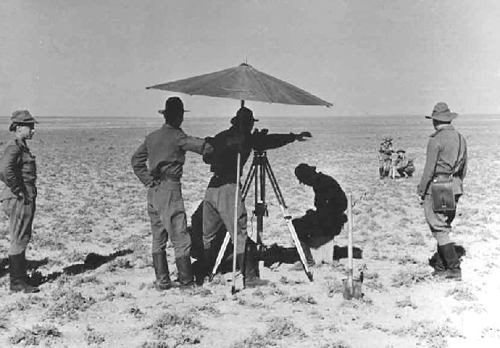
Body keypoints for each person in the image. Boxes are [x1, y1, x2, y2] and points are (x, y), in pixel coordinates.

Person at [201, 106, 311, 288]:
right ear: (248, 124)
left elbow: (207, 157)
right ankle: (249, 277)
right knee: (239, 234)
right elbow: (269, 141)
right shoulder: (243, 138)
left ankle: (212, 271)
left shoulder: (222, 136)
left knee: (209, 235)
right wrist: (294, 137)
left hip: (212, 187)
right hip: (229, 187)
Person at [131, 97, 213, 290]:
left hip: (153, 192)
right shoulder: (178, 136)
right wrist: (215, 144)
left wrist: (149, 180)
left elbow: (136, 161)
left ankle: (162, 280)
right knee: (180, 235)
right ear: (178, 116)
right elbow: (203, 147)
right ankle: (186, 282)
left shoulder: (152, 137)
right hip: (170, 190)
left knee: (158, 237)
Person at [417, 102, 467, 280]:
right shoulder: (461, 138)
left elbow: (429, 169)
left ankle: (453, 268)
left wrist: (421, 190)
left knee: (439, 227)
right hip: (454, 186)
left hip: (439, 187)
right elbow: (464, 169)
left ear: (435, 121)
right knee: (444, 225)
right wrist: (456, 185)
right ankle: (441, 266)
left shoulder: (435, 140)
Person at [0, 110, 40, 293]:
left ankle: (21, 278)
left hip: (21, 196)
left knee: (21, 236)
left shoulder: (20, 146)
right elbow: (4, 169)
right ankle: (17, 283)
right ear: (19, 128)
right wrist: (18, 190)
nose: (33, 130)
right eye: (29, 127)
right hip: (19, 198)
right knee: (19, 238)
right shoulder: (15, 147)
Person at [291, 163, 348, 269]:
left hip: (332, 221)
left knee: (296, 225)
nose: (304, 184)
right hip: (331, 218)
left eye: (303, 181)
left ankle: (308, 260)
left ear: (308, 177)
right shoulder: (322, 181)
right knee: (301, 222)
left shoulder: (323, 184)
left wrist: (312, 215)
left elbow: (328, 209)